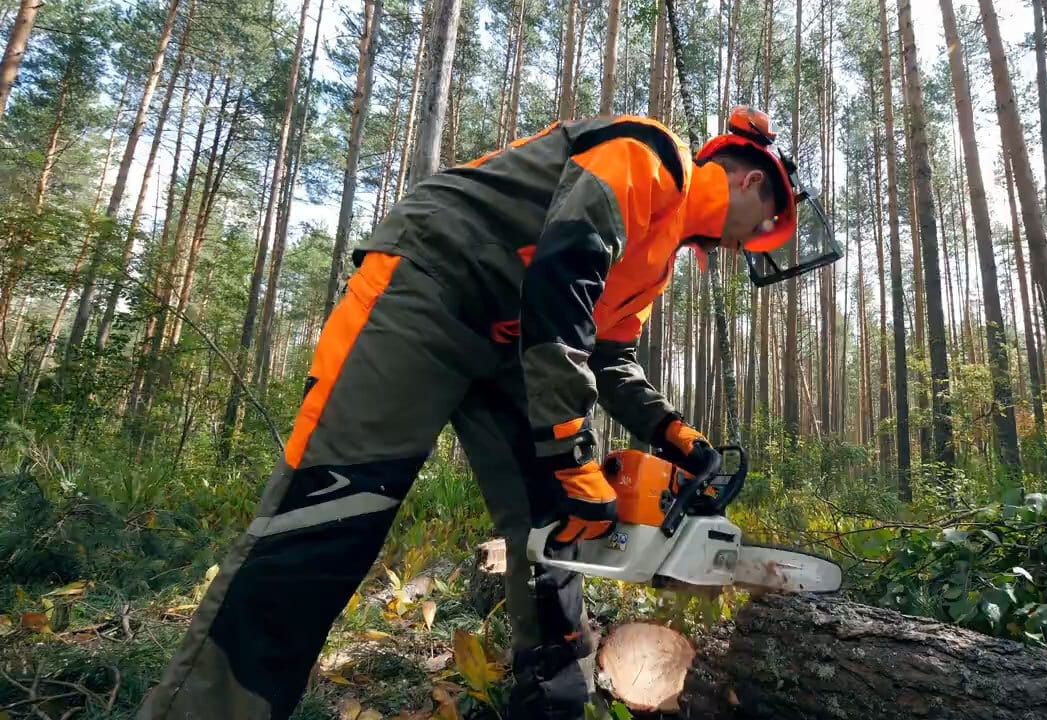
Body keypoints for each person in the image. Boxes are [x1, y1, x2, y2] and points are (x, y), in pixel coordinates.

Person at [137, 106, 806, 720]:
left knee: (556, 530)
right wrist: (571, 449)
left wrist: (670, 430)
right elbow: (563, 273)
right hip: (431, 284)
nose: (761, 241)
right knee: (330, 514)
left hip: (515, 340)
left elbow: (608, 356)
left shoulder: (655, 262)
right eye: (768, 221)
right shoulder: (650, 156)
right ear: (750, 183)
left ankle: (553, 704)